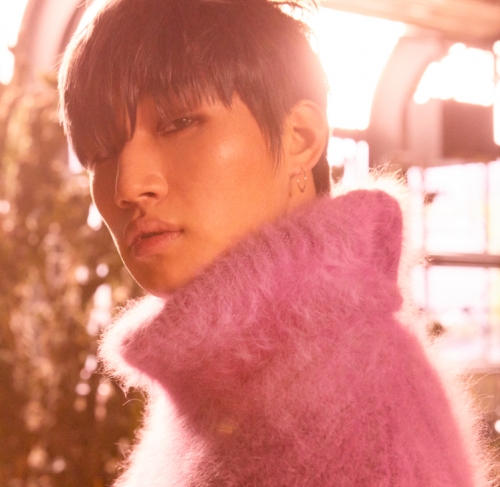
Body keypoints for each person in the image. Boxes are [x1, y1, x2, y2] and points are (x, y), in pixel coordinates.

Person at [58, 0, 489, 485]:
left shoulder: (362, 406)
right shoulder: (225, 375)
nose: (127, 186)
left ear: (300, 138)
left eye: (179, 123)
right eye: (100, 154)